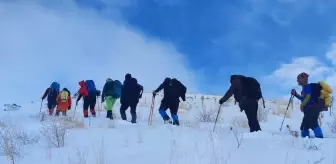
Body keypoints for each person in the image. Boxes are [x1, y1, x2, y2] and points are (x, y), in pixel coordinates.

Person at [291, 72, 323, 138]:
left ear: (304, 79)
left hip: (312, 108)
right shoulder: (304, 89)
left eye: (299, 78)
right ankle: (305, 139)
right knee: (304, 125)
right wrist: (295, 94)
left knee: (313, 123)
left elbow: (308, 97)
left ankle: (320, 139)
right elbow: (303, 98)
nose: (297, 80)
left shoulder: (307, 87)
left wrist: (302, 105)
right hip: (310, 109)